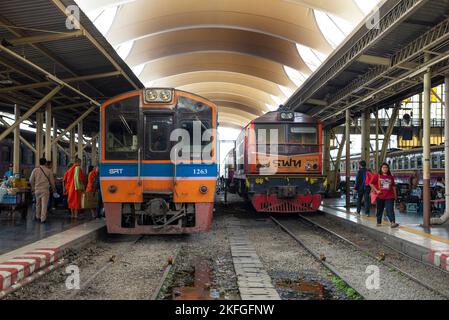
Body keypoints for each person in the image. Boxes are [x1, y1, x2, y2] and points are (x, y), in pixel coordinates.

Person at [370, 163, 399, 228]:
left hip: (390, 196)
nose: (385, 169)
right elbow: (371, 183)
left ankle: (392, 222)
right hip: (380, 196)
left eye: (386, 167)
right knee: (380, 210)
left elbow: (393, 186)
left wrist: (395, 195)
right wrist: (376, 190)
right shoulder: (377, 176)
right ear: (381, 168)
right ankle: (379, 222)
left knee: (390, 209)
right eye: (383, 167)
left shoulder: (391, 177)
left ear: (388, 169)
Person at [29, 158, 56, 223]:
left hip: (37, 189)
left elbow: (31, 180)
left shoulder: (35, 170)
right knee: (44, 204)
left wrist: (33, 187)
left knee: (38, 204)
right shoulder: (48, 171)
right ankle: (43, 219)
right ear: (45, 163)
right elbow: (52, 182)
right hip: (45, 190)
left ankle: (37, 216)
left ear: (39, 162)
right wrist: (54, 188)